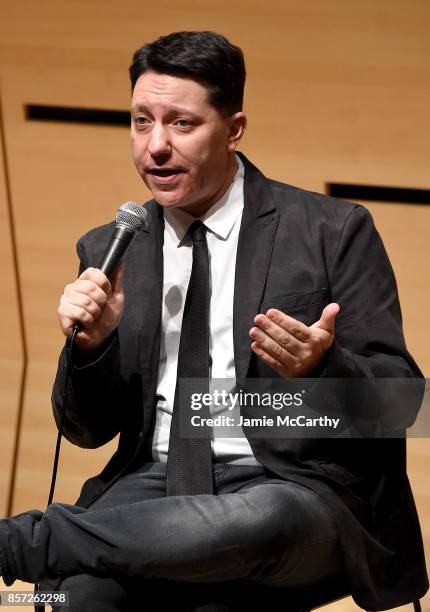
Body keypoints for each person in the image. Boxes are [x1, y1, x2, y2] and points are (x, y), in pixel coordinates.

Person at [0, 31, 428, 611]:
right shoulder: (113, 247)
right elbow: (84, 430)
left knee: (263, 517)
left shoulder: (330, 231)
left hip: (292, 490)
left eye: (181, 124)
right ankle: (48, 550)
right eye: (141, 120)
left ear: (233, 129)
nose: (154, 146)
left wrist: (321, 370)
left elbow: (404, 407)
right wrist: (91, 348)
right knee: (78, 599)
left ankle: (22, 544)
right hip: (154, 485)